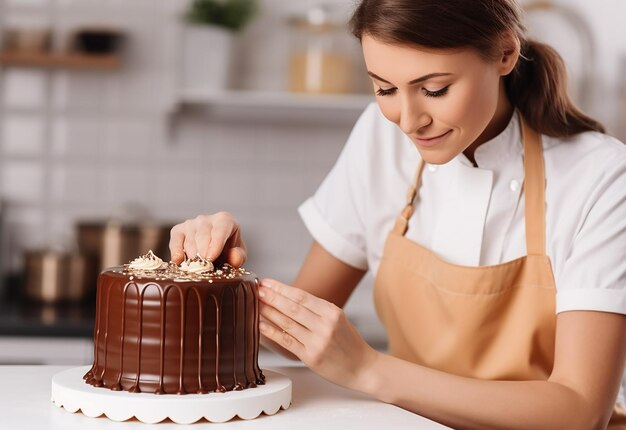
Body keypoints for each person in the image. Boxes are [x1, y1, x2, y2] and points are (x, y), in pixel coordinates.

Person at [169, 0, 626, 428]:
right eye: (385, 89)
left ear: (505, 53)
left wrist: (369, 370)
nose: (408, 121)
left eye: (434, 89)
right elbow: (291, 332)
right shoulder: (380, 137)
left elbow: (579, 408)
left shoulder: (600, 176)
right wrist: (216, 276)